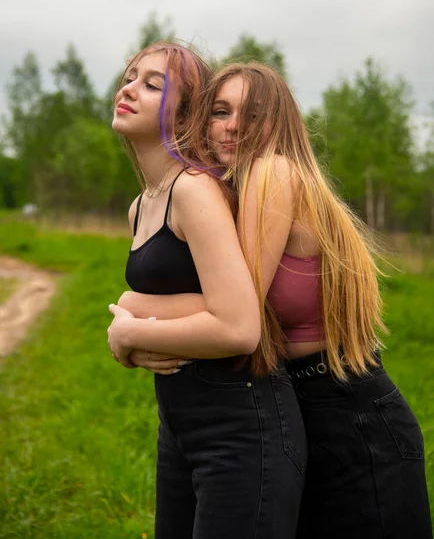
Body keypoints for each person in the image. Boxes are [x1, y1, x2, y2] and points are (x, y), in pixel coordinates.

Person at [119, 61, 432, 538]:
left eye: (252, 114)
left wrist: (133, 314)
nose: (233, 126)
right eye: (220, 111)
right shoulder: (234, 190)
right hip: (305, 407)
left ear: (280, 122)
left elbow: (243, 312)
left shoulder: (274, 172)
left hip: (352, 421)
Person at [108, 43, 307, 539]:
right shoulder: (140, 207)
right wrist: (132, 344)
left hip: (241, 423)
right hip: (179, 421)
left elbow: (239, 327)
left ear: (184, 116)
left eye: (154, 84)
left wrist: (129, 322)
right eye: (131, 76)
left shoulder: (195, 189)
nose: (129, 87)